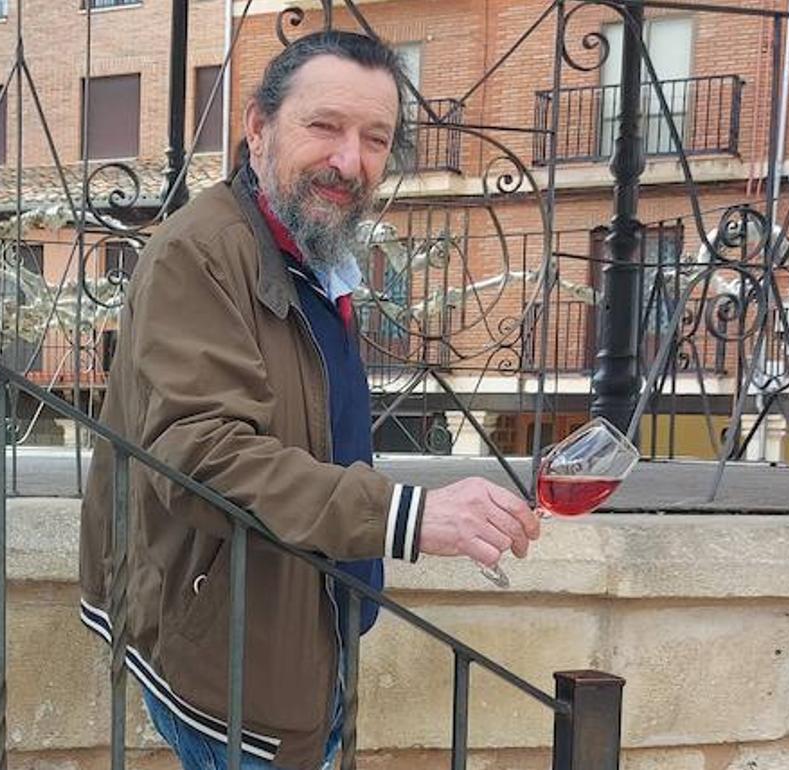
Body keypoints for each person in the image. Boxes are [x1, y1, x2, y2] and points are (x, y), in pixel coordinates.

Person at [79, 30, 540, 770]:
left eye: (375, 139)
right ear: (259, 127)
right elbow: (203, 459)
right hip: (231, 667)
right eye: (325, 126)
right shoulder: (200, 254)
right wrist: (407, 516)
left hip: (305, 633)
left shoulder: (310, 247)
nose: (349, 162)